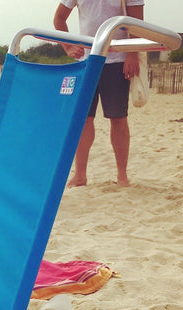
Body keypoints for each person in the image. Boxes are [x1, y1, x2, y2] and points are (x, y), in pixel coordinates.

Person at [54, 0, 144, 187]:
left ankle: (122, 176)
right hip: (87, 61)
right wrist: (68, 46)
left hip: (118, 59)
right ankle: (80, 175)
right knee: (84, 119)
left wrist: (133, 54)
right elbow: (59, 18)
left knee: (118, 118)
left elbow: (137, 22)